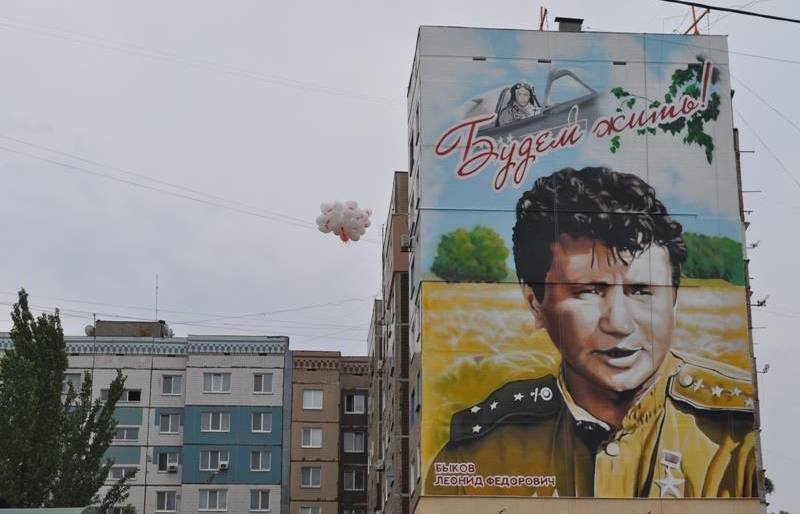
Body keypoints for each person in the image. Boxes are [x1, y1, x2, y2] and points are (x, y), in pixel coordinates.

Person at [426, 166, 758, 498]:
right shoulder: (477, 455)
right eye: (588, 291)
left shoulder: (743, 436)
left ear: (674, 299)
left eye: (642, 291)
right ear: (535, 303)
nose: (619, 323)